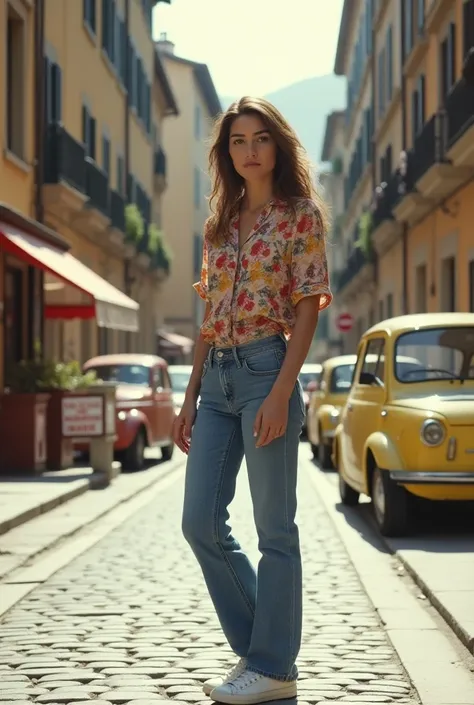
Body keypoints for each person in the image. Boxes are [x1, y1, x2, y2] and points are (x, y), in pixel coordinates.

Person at [173, 96, 332, 705]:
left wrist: (283, 391)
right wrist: (189, 397)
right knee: (200, 523)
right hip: (215, 381)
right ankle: (264, 652)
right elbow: (209, 319)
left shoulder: (299, 216)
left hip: (269, 369)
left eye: (260, 138)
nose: (249, 151)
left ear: (277, 145)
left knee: (275, 530)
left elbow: (307, 304)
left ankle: (270, 663)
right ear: (226, 153)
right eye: (237, 141)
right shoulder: (219, 222)